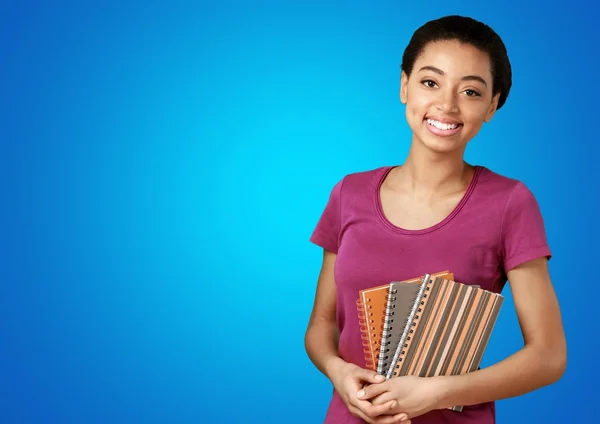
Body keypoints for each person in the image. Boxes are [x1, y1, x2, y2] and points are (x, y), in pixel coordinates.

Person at [304, 15, 566, 424]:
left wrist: (435, 392)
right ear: (404, 85)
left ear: (492, 106)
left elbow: (549, 356)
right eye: (430, 82)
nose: (447, 105)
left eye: (471, 91)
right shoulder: (348, 194)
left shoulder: (510, 203)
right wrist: (340, 373)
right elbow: (321, 324)